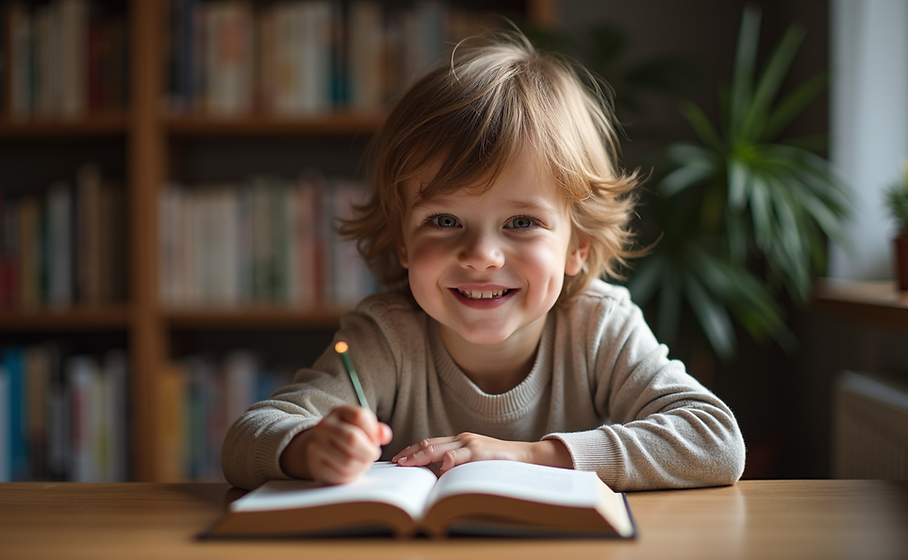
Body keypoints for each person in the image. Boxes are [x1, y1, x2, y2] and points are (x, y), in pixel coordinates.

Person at [221, 29, 746, 491]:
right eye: (445, 221)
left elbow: (716, 441)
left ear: (577, 245)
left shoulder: (599, 326)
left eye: (521, 223)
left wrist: (528, 456)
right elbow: (248, 437)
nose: (480, 256)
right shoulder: (386, 335)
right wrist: (309, 447)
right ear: (403, 242)